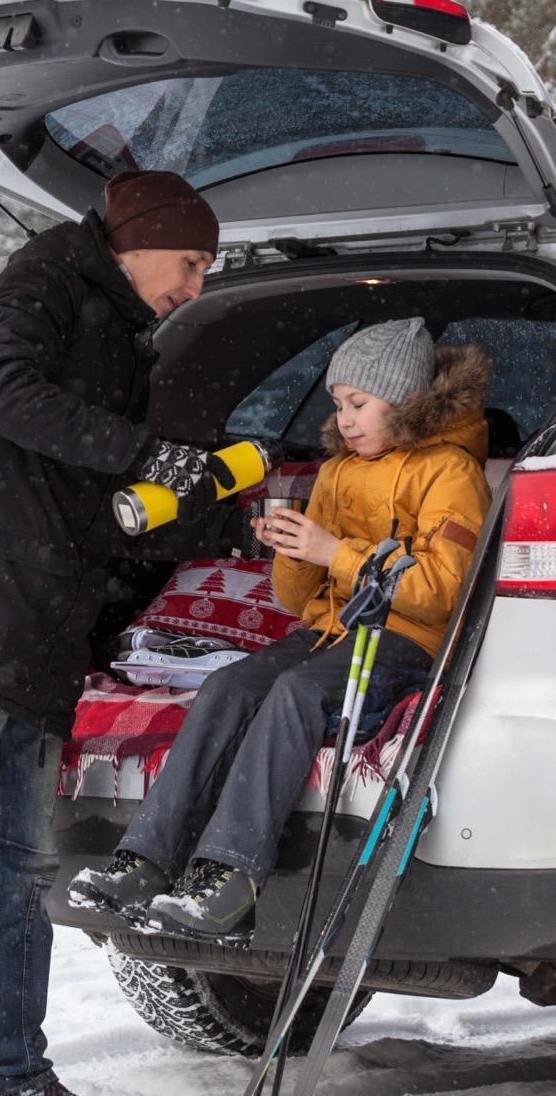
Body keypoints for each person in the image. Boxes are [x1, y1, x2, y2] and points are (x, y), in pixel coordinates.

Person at [0, 170, 227, 1096]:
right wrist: (143, 451)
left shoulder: (121, 328)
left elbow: (83, 492)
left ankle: (17, 1072)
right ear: (139, 237)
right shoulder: (43, 284)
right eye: (189, 262)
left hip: (43, 628)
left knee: (23, 871)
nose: (195, 285)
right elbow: (2, 392)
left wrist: (168, 524)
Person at [68, 318, 492, 941]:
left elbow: (441, 593)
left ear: (405, 399)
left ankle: (229, 879)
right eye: (338, 404)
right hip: (329, 634)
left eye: (359, 403)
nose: (345, 418)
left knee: (296, 694)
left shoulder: (450, 471)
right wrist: (295, 553)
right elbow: (299, 601)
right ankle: (147, 860)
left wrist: (336, 552)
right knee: (228, 690)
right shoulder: (338, 471)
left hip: (406, 642)